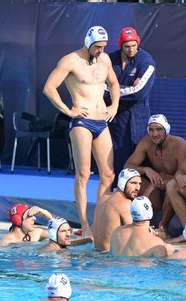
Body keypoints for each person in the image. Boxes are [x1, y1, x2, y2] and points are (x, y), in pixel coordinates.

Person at [43, 26, 120, 238]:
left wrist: (114, 106)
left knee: (108, 174)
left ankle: (100, 222)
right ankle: (85, 226)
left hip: (101, 122)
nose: (101, 51)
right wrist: (69, 111)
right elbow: (49, 88)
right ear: (88, 43)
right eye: (97, 47)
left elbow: (114, 83)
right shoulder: (70, 61)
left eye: (104, 47)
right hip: (82, 123)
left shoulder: (104, 60)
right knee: (83, 174)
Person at [104, 26, 156, 186]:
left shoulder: (146, 61)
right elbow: (97, 85)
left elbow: (139, 92)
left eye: (134, 45)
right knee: (114, 160)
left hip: (137, 121)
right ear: (121, 45)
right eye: (127, 46)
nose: (131, 49)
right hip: (114, 119)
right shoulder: (109, 60)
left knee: (137, 160)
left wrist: (112, 89)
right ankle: (114, 198)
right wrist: (125, 88)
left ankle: (140, 200)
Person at [124, 114, 186, 238]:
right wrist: (146, 169)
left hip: (175, 187)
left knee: (172, 186)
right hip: (157, 186)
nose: (154, 134)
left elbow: (183, 177)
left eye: (159, 129)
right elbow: (127, 167)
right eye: (151, 130)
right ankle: (134, 222)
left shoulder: (179, 145)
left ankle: (163, 228)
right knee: (129, 180)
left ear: (167, 130)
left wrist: (157, 184)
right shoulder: (146, 142)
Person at [92, 168, 141, 251]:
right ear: (122, 183)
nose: (137, 188)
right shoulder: (124, 203)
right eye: (133, 183)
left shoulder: (103, 197)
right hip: (112, 260)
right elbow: (136, 235)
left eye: (139, 184)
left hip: (96, 253)